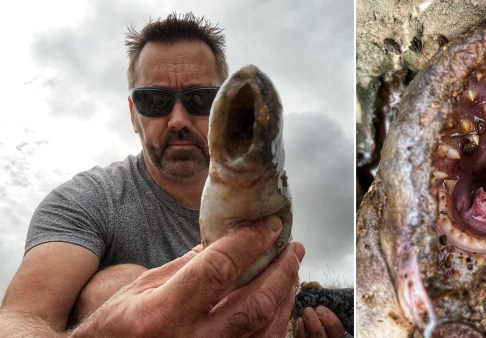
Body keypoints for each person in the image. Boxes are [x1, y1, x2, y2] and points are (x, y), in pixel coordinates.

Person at [0, 13, 345, 337]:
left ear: (223, 108)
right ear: (134, 115)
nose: (178, 119)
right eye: (154, 100)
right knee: (117, 283)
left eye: (199, 98)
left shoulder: (264, 211)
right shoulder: (87, 200)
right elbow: (18, 319)